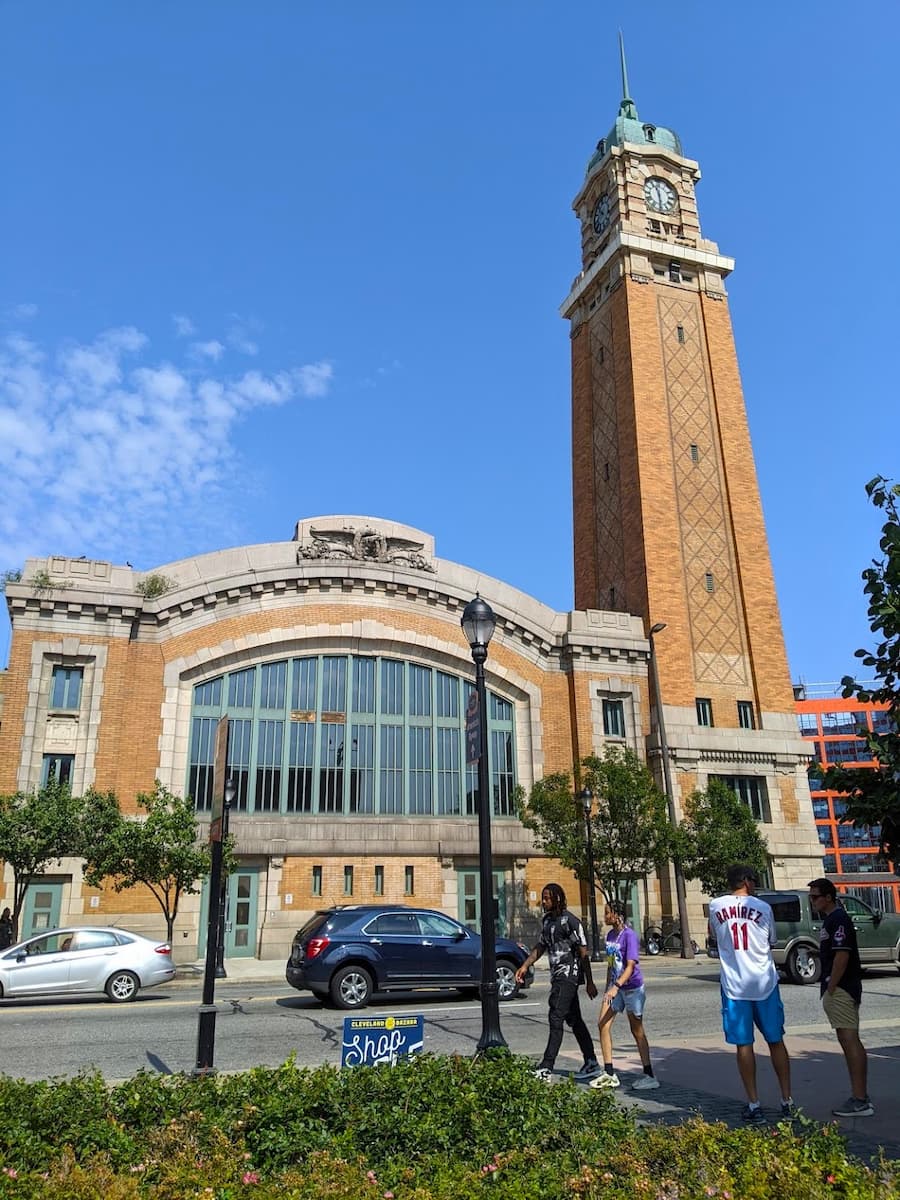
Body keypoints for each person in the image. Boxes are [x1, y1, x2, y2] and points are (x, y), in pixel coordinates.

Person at [708, 864, 794, 1123]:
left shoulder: (715, 906)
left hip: (735, 985)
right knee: (776, 1040)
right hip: (764, 982)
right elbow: (770, 941)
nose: (755, 884)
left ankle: (754, 1103)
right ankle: (787, 1100)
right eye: (754, 880)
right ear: (745, 881)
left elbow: (715, 935)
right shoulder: (763, 908)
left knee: (743, 1045)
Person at [515, 883, 601, 1081]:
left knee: (556, 1016)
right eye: (543, 898)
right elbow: (541, 946)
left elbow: (583, 952)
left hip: (568, 977)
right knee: (574, 1020)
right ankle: (591, 1062)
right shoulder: (547, 922)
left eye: (547, 898)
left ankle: (546, 1067)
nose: (543, 901)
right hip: (557, 977)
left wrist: (589, 981)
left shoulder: (569, 921)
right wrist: (525, 965)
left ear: (557, 899)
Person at [808, 877, 873, 1118]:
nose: (812, 901)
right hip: (839, 987)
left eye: (815, 897)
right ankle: (859, 1096)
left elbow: (842, 956)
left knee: (849, 1039)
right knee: (847, 1040)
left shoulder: (838, 919)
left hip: (842, 988)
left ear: (828, 897)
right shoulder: (831, 920)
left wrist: (832, 986)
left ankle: (860, 1099)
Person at [589, 899, 659, 1091]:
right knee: (602, 1023)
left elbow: (630, 966)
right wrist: (608, 988)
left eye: (607, 913)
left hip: (632, 988)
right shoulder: (611, 935)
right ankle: (610, 1073)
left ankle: (649, 1074)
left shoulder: (630, 936)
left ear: (617, 915)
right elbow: (612, 964)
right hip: (615, 988)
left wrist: (616, 986)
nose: (605, 916)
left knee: (636, 1029)